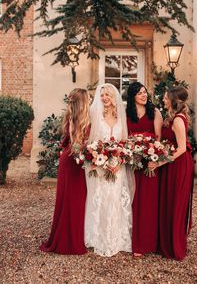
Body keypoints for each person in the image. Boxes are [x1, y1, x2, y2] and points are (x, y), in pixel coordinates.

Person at [85, 83, 134, 257]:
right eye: (102, 95)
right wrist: (101, 161)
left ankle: (117, 239)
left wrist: (119, 161)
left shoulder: (121, 117)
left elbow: (125, 143)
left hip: (117, 167)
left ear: (114, 97)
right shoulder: (96, 117)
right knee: (102, 199)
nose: (104, 98)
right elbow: (92, 143)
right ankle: (99, 237)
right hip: (100, 166)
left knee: (115, 199)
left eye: (107, 95)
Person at [40, 88, 90, 255]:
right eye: (88, 98)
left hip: (68, 159)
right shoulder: (80, 120)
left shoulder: (72, 117)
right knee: (75, 201)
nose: (90, 101)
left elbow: (67, 142)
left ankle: (68, 236)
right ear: (83, 101)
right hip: (75, 161)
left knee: (68, 200)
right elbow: (78, 144)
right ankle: (70, 241)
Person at [126, 81, 163, 256]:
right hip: (132, 164)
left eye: (145, 92)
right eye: (140, 93)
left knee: (148, 202)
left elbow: (158, 139)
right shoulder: (127, 114)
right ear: (133, 95)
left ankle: (148, 242)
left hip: (149, 164)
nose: (144, 95)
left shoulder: (154, 112)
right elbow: (123, 137)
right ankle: (131, 240)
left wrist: (152, 155)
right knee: (132, 200)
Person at [158, 85, 194, 260]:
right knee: (169, 202)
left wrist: (158, 163)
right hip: (171, 164)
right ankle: (167, 243)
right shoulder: (172, 117)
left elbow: (181, 149)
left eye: (166, 97)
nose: (163, 99)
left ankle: (175, 247)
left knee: (176, 204)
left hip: (179, 165)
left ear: (173, 100)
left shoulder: (178, 119)